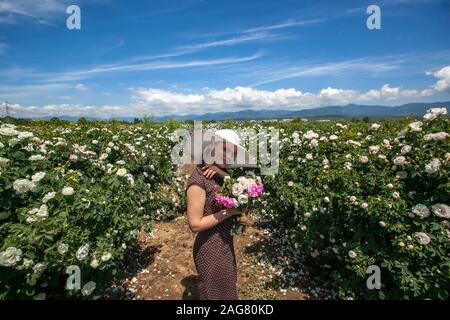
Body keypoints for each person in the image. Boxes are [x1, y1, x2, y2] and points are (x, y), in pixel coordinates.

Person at [185, 129, 253, 300]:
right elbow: (195, 224)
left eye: (233, 153)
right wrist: (229, 212)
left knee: (227, 291)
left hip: (224, 243)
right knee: (216, 295)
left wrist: (220, 171)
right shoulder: (198, 181)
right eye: (225, 149)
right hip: (210, 248)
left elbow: (238, 186)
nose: (228, 156)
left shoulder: (218, 175)